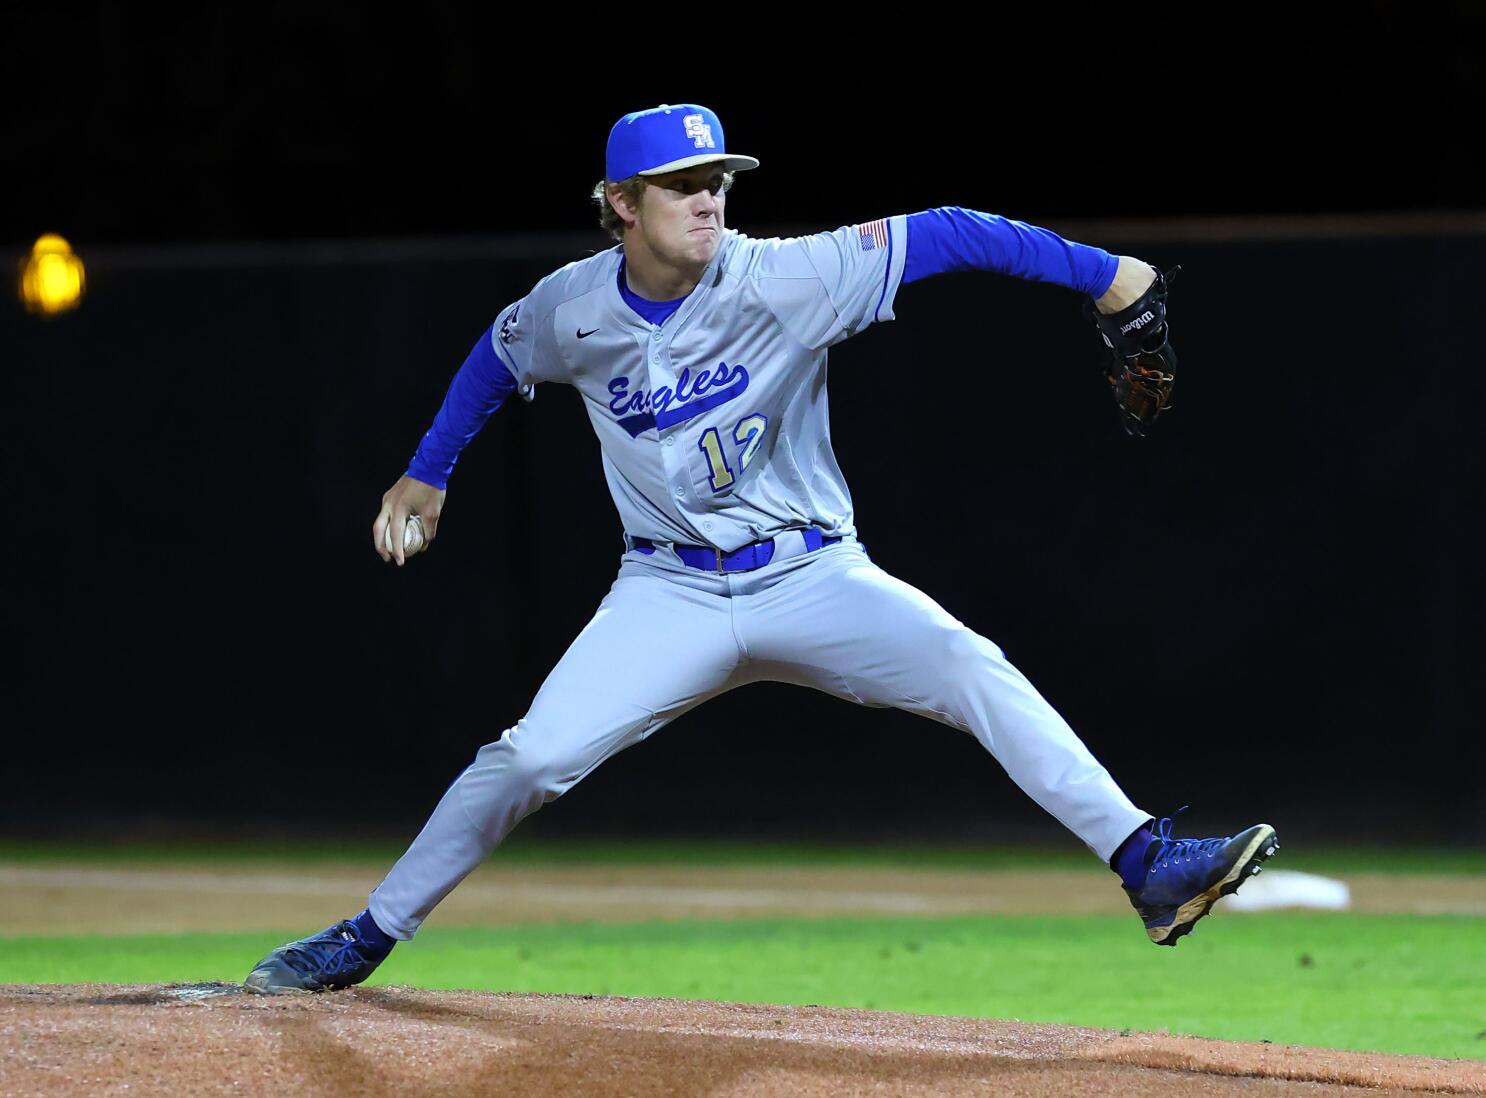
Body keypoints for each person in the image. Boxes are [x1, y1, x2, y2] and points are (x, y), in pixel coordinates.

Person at [244, 104, 1278, 994]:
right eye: (681, 185)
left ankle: (1145, 861)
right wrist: (429, 469)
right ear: (620, 203)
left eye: (718, 180)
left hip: (811, 574)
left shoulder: (787, 278)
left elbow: (954, 231)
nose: (708, 199)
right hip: (666, 593)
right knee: (528, 758)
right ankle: (365, 937)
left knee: (969, 665)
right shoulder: (573, 307)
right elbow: (497, 353)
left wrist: (1110, 276)